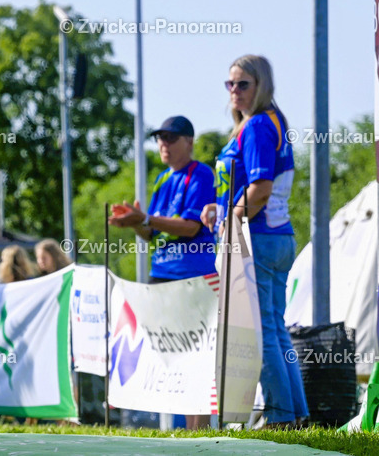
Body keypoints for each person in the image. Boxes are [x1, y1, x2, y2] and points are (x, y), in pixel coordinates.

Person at [199, 55, 309, 429]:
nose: (234, 91)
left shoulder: (260, 125)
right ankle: (295, 413)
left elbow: (260, 189)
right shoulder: (267, 122)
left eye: (243, 84)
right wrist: (221, 207)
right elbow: (255, 189)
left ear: (261, 85)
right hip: (276, 237)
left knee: (260, 330)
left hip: (258, 239)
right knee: (275, 328)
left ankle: (281, 415)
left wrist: (233, 215)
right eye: (229, 84)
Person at [110, 115, 216, 429]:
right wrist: (135, 223)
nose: (163, 144)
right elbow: (150, 234)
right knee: (172, 353)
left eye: (171, 138)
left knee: (196, 352)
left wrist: (146, 219)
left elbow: (191, 226)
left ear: (189, 142)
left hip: (192, 274)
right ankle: (184, 427)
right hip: (162, 273)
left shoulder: (201, 174)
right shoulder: (162, 180)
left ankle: (200, 427)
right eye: (160, 138)